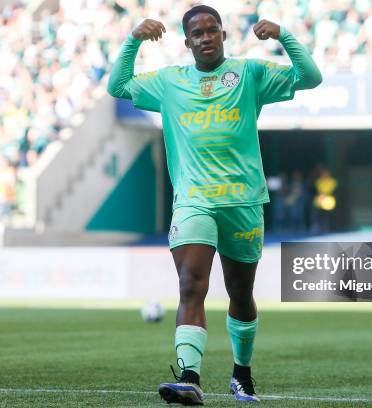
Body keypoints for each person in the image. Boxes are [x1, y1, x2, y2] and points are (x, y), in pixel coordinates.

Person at [108, 5, 321, 404]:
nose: (206, 38)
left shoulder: (250, 74)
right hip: (194, 202)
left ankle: (242, 374)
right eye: (197, 34)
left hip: (243, 201)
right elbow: (118, 87)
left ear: (223, 34)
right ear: (187, 42)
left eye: (212, 31)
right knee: (191, 283)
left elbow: (310, 77)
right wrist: (133, 39)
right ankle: (189, 376)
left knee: (241, 292)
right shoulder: (169, 82)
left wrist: (283, 36)